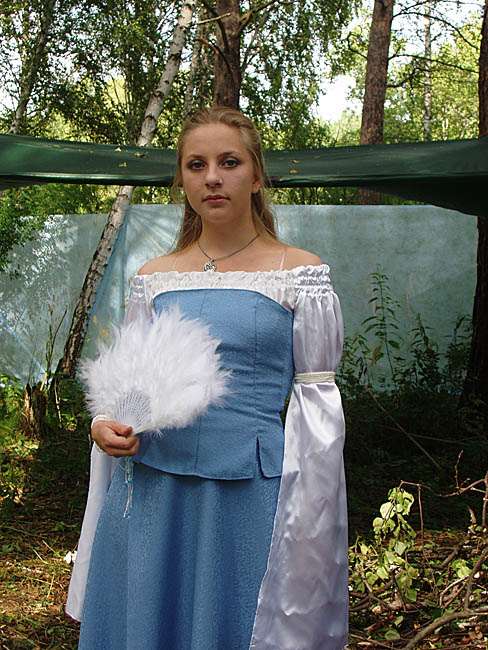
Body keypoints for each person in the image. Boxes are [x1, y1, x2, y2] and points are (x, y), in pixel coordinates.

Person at [66, 107, 349, 650]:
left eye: (229, 162)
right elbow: (127, 385)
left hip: (247, 497)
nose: (212, 177)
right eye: (196, 165)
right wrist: (103, 424)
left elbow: (318, 415)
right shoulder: (153, 278)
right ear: (181, 179)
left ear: (257, 176)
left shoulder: (300, 274)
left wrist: (312, 525)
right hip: (150, 495)